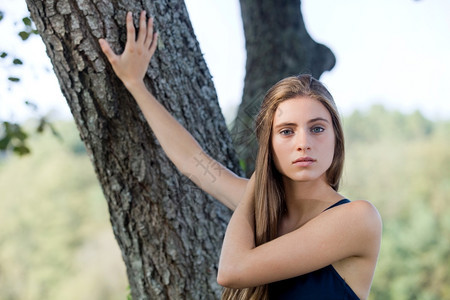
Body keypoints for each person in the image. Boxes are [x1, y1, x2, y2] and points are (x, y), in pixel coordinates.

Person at [99, 11, 382, 300]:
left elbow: (231, 270)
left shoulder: (357, 219)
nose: (303, 143)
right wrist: (135, 84)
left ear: (337, 138)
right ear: (268, 145)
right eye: (286, 131)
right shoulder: (263, 205)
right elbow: (194, 162)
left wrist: (255, 185)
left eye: (317, 128)